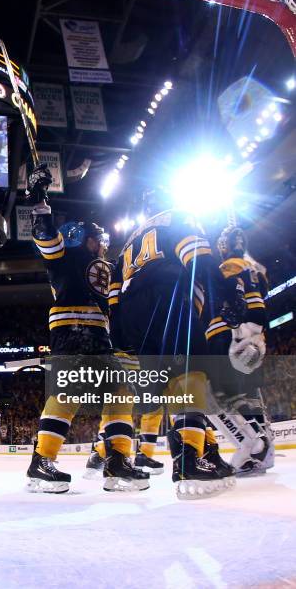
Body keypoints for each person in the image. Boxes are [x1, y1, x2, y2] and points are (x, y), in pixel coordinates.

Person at [107, 193, 243, 499]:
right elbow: (198, 259)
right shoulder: (178, 219)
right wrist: (227, 293)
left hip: (131, 315)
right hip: (166, 299)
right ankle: (189, 458)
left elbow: (113, 294)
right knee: (190, 375)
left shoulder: (130, 239)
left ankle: (204, 450)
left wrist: (119, 332)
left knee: (171, 385)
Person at [25, 164, 148, 493]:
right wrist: (40, 202)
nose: (103, 243)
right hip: (71, 329)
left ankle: (118, 461)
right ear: (86, 238)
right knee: (70, 392)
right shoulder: (64, 257)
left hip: (98, 335)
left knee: (120, 392)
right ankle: (41, 463)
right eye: (98, 238)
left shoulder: (105, 266)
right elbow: (44, 235)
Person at [205, 225, 272, 475]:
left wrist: (234, 326)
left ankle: (253, 445)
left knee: (222, 394)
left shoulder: (227, 266)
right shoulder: (252, 266)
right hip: (255, 330)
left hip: (233, 330)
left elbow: (233, 297)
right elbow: (262, 290)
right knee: (249, 391)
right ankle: (266, 451)